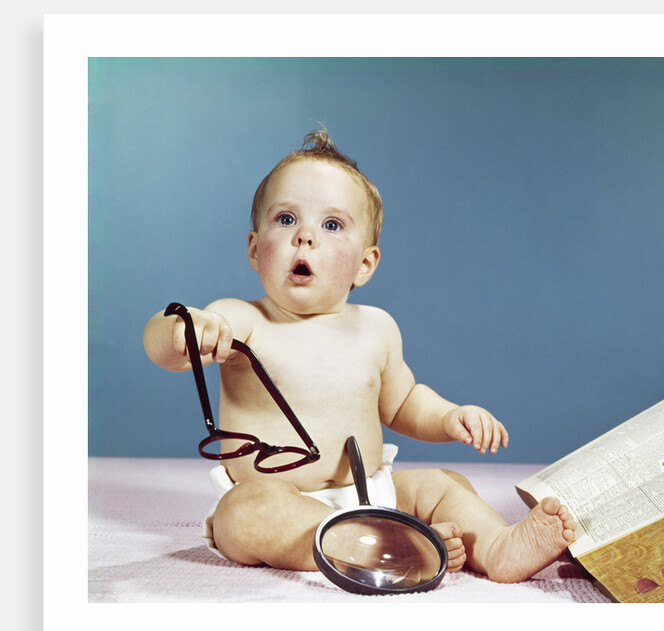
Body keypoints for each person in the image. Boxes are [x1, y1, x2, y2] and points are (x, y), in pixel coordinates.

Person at [143, 128, 577, 583]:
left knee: (443, 485)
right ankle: (363, 546)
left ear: (365, 264)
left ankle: (495, 547)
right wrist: (183, 329)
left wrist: (451, 417)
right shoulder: (239, 320)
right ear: (255, 249)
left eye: (331, 225)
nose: (305, 237)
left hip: (372, 493)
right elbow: (165, 351)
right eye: (286, 219)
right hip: (282, 499)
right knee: (245, 513)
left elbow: (404, 402)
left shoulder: (376, 328)